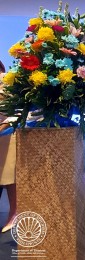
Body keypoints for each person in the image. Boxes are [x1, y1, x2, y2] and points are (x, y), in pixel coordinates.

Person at [0, 59, 17, 233]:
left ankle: (14, 213)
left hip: (5, 134)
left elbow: (13, 109)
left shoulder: (5, 79)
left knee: (8, 177)